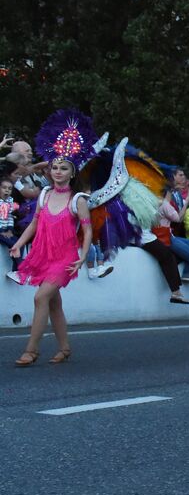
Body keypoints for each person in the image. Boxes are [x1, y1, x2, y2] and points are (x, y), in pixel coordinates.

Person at [9, 140, 93, 366]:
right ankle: (64, 348)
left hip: (65, 259)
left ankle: (31, 350)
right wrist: (19, 243)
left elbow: (87, 230)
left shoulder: (78, 200)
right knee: (54, 303)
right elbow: (34, 223)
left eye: (63, 168)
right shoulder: (44, 193)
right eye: (54, 167)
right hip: (43, 255)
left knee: (40, 297)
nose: (58, 172)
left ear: (72, 172)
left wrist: (83, 257)